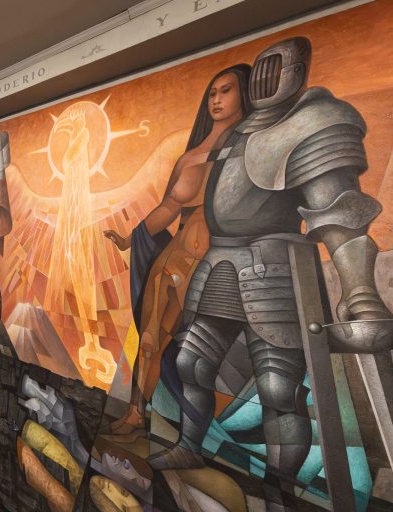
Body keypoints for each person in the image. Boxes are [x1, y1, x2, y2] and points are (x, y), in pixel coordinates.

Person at [147, 37, 392, 512]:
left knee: (278, 390)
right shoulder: (236, 133)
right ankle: (189, 447)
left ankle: (279, 489)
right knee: (190, 364)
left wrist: (360, 293)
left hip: (275, 269)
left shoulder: (314, 121)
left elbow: (339, 214)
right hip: (220, 264)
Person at [104, 64, 252, 433]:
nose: (217, 99)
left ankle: (193, 432)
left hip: (218, 264)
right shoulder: (189, 158)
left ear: (245, 93)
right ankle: (136, 413)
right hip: (174, 259)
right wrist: (129, 239)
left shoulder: (250, 147)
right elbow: (168, 208)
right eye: (212, 92)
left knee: (197, 353)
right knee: (150, 339)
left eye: (226, 90)